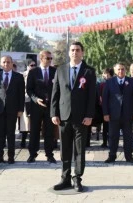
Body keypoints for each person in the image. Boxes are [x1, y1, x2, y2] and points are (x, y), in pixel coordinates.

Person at [51, 42, 96, 192]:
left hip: (81, 117)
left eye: (77, 50)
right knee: (64, 148)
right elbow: (55, 93)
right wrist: (54, 113)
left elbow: (91, 96)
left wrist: (90, 115)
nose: (74, 53)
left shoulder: (89, 71)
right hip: (63, 116)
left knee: (79, 150)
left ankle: (77, 178)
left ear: (82, 53)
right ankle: (65, 178)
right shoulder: (61, 69)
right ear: (68, 53)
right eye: (72, 50)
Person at [0, 56, 25, 164]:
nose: (6, 64)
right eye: (4, 62)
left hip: (12, 110)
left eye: (8, 62)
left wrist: (20, 109)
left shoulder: (18, 77)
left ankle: (11, 157)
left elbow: (21, 95)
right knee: (0, 135)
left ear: (12, 63)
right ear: (0, 63)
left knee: (10, 134)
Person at [26, 50, 57, 163]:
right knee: (34, 131)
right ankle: (32, 154)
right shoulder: (34, 72)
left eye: (50, 58)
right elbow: (29, 89)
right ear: (41, 59)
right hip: (36, 106)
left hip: (50, 107)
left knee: (49, 131)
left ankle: (49, 154)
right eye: (47, 58)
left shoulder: (55, 71)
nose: (49, 60)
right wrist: (35, 99)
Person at [103, 63, 133, 163]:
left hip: (128, 114)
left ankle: (129, 156)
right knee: (113, 136)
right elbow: (105, 99)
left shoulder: (131, 82)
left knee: (128, 137)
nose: (120, 71)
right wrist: (105, 113)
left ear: (125, 70)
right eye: (118, 69)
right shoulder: (109, 82)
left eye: (122, 69)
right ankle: (112, 156)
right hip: (113, 115)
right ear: (115, 70)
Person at [19, 61, 35, 148]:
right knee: (25, 122)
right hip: (25, 100)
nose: (33, 67)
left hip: (34, 101)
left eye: (34, 65)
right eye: (31, 65)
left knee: (33, 123)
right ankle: (23, 141)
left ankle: (32, 142)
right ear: (28, 66)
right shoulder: (23, 75)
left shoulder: (37, 74)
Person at [99, 68, 114, 148]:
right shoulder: (102, 84)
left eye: (106, 74)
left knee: (111, 126)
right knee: (105, 126)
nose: (104, 75)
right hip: (104, 107)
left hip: (112, 107)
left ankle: (111, 141)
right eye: (104, 74)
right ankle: (105, 141)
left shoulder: (113, 83)